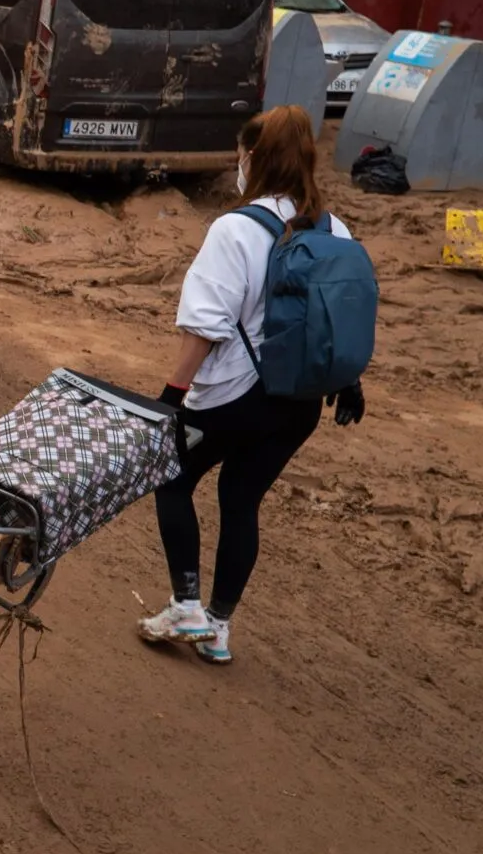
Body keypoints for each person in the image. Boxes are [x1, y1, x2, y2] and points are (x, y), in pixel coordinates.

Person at [142, 107, 367, 664]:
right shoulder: (334, 229)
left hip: (231, 398)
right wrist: (350, 381)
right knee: (241, 500)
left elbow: (205, 325)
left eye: (242, 154)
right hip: (299, 404)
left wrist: (171, 398)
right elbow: (341, 317)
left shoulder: (235, 228)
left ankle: (186, 605)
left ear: (255, 158)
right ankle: (218, 626)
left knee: (171, 476)